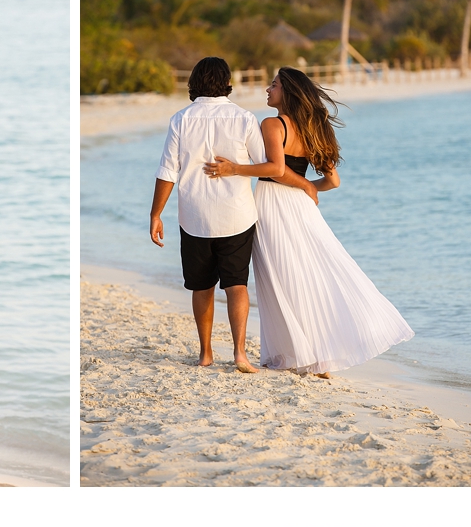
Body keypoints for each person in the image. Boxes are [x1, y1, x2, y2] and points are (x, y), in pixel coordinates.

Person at [204, 67, 414, 377]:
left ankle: (297, 354)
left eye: (274, 85)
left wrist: (234, 169)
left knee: (281, 279)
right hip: (302, 207)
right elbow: (333, 181)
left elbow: (275, 169)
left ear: (287, 92)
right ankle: (319, 357)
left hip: (272, 203)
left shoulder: (273, 124)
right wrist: (306, 187)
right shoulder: (314, 128)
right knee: (308, 274)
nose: (268, 89)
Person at [149, 57, 286, 372]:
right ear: (226, 83)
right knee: (237, 284)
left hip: (194, 217)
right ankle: (240, 353)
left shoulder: (181, 119)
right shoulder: (244, 118)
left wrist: (156, 214)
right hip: (236, 215)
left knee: (202, 286)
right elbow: (265, 165)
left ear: (194, 83)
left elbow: (167, 171)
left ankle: (206, 354)